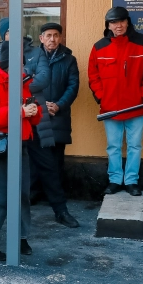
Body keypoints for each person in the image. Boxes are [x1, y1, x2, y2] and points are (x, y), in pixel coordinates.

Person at [0, 41, 42, 261]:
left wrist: (33, 111)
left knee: (22, 195)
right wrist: (20, 112)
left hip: (19, 144)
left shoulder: (22, 82)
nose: (21, 68)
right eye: (17, 64)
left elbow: (33, 116)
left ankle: (20, 237)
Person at [88, 6, 143, 196]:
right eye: (113, 22)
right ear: (108, 25)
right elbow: (93, 75)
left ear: (128, 22)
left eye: (121, 21)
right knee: (113, 146)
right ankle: (114, 180)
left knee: (135, 145)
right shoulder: (99, 47)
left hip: (137, 105)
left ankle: (131, 181)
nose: (118, 26)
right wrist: (101, 97)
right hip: (110, 106)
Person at [30, 22, 80, 227]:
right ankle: (32, 195)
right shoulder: (31, 58)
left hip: (57, 115)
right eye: (48, 35)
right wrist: (38, 105)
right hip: (34, 114)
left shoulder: (68, 59)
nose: (52, 39)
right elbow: (26, 83)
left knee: (56, 161)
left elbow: (73, 86)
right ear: (41, 38)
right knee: (33, 160)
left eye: (56, 35)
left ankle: (58, 206)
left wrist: (58, 105)